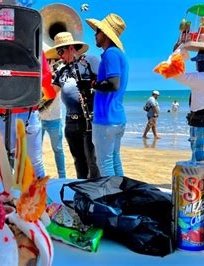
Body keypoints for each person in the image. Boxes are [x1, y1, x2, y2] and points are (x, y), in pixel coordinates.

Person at [48, 32, 100, 179]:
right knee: (79, 161)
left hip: (88, 121)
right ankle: (82, 192)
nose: (59, 56)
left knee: (93, 162)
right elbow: (51, 93)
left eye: (60, 51)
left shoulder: (90, 61)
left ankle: (95, 194)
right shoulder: (62, 71)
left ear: (71, 48)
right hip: (70, 122)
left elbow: (104, 86)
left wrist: (90, 93)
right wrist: (46, 75)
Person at [86, 14, 129, 177]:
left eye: (97, 31)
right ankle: (121, 197)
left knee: (104, 163)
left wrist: (92, 84)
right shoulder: (118, 54)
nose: (94, 35)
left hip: (106, 119)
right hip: (116, 117)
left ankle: (111, 200)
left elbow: (113, 84)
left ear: (104, 33)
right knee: (114, 160)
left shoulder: (111, 53)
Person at [172, 49, 204, 176]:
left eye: (197, 62)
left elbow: (177, 75)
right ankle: (197, 176)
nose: (196, 65)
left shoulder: (201, 77)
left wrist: (179, 57)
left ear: (202, 63)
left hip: (202, 119)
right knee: (200, 147)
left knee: (200, 150)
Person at [39, 92, 66, 179]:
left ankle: (62, 177)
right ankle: (38, 176)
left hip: (55, 118)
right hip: (39, 118)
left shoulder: (56, 79)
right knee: (36, 151)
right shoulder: (39, 79)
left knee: (58, 149)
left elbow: (52, 94)